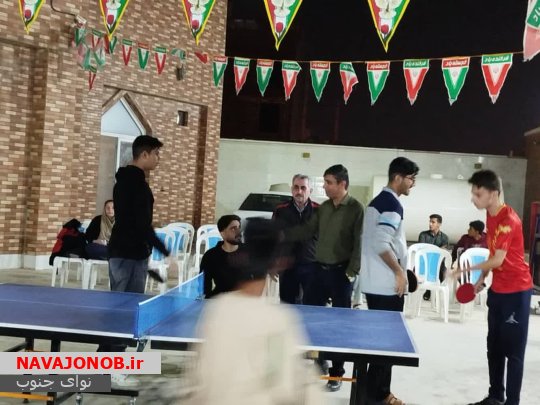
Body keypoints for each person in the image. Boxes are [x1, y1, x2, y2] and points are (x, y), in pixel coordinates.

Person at [189, 218, 322, 405]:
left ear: (241, 258)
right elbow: (281, 385)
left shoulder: (216, 311)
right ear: (280, 263)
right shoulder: (277, 321)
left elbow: (199, 384)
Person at [284, 164, 363, 392]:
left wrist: (351, 272)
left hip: (341, 274)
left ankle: (336, 373)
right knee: (313, 320)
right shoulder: (325, 208)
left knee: (338, 327)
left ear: (342, 184)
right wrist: (279, 234)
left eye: (329, 183)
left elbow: (359, 242)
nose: (325, 186)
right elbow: (307, 231)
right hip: (318, 271)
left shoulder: (356, 208)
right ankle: (319, 362)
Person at [465, 170, 533, 405]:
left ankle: (512, 402)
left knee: (513, 353)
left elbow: (498, 260)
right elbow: (493, 253)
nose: (473, 198)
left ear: (493, 194)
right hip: (498, 291)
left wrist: (464, 270)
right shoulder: (490, 214)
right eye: (473, 193)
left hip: (517, 293)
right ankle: (495, 397)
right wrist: (481, 278)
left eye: (478, 194)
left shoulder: (508, 220)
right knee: (493, 348)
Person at [360, 156, 419, 405]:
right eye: (411, 179)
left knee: (378, 345)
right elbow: (381, 242)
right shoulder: (392, 205)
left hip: (375, 284)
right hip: (387, 287)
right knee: (386, 347)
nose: (413, 184)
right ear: (398, 177)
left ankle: (369, 394)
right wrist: (399, 272)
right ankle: (380, 396)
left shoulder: (377, 202)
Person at [107, 135, 178, 294]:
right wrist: (165, 252)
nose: (158, 158)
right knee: (130, 302)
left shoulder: (121, 182)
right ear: (144, 155)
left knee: (118, 301)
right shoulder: (139, 187)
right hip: (132, 254)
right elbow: (142, 225)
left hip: (118, 250)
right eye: (156, 153)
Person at [272, 174, 319, 304]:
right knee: (287, 305)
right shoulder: (280, 210)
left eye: (303, 188)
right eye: (296, 187)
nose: (299, 191)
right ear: (292, 189)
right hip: (287, 265)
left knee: (312, 304)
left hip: (311, 265)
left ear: (310, 190)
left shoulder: (319, 210)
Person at [200, 214, 242, 298]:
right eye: (233, 228)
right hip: (220, 299)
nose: (238, 232)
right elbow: (205, 285)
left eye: (239, 228)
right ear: (222, 233)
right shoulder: (211, 256)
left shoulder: (249, 252)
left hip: (245, 300)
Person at [418, 214, 449, 300]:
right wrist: (437, 250)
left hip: (437, 263)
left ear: (439, 224)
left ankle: (433, 288)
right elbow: (422, 250)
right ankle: (428, 289)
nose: (430, 224)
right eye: (430, 222)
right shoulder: (423, 235)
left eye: (433, 222)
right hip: (425, 261)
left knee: (442, 267)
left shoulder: (444, 237)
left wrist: (434, 251)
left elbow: (442, 253)